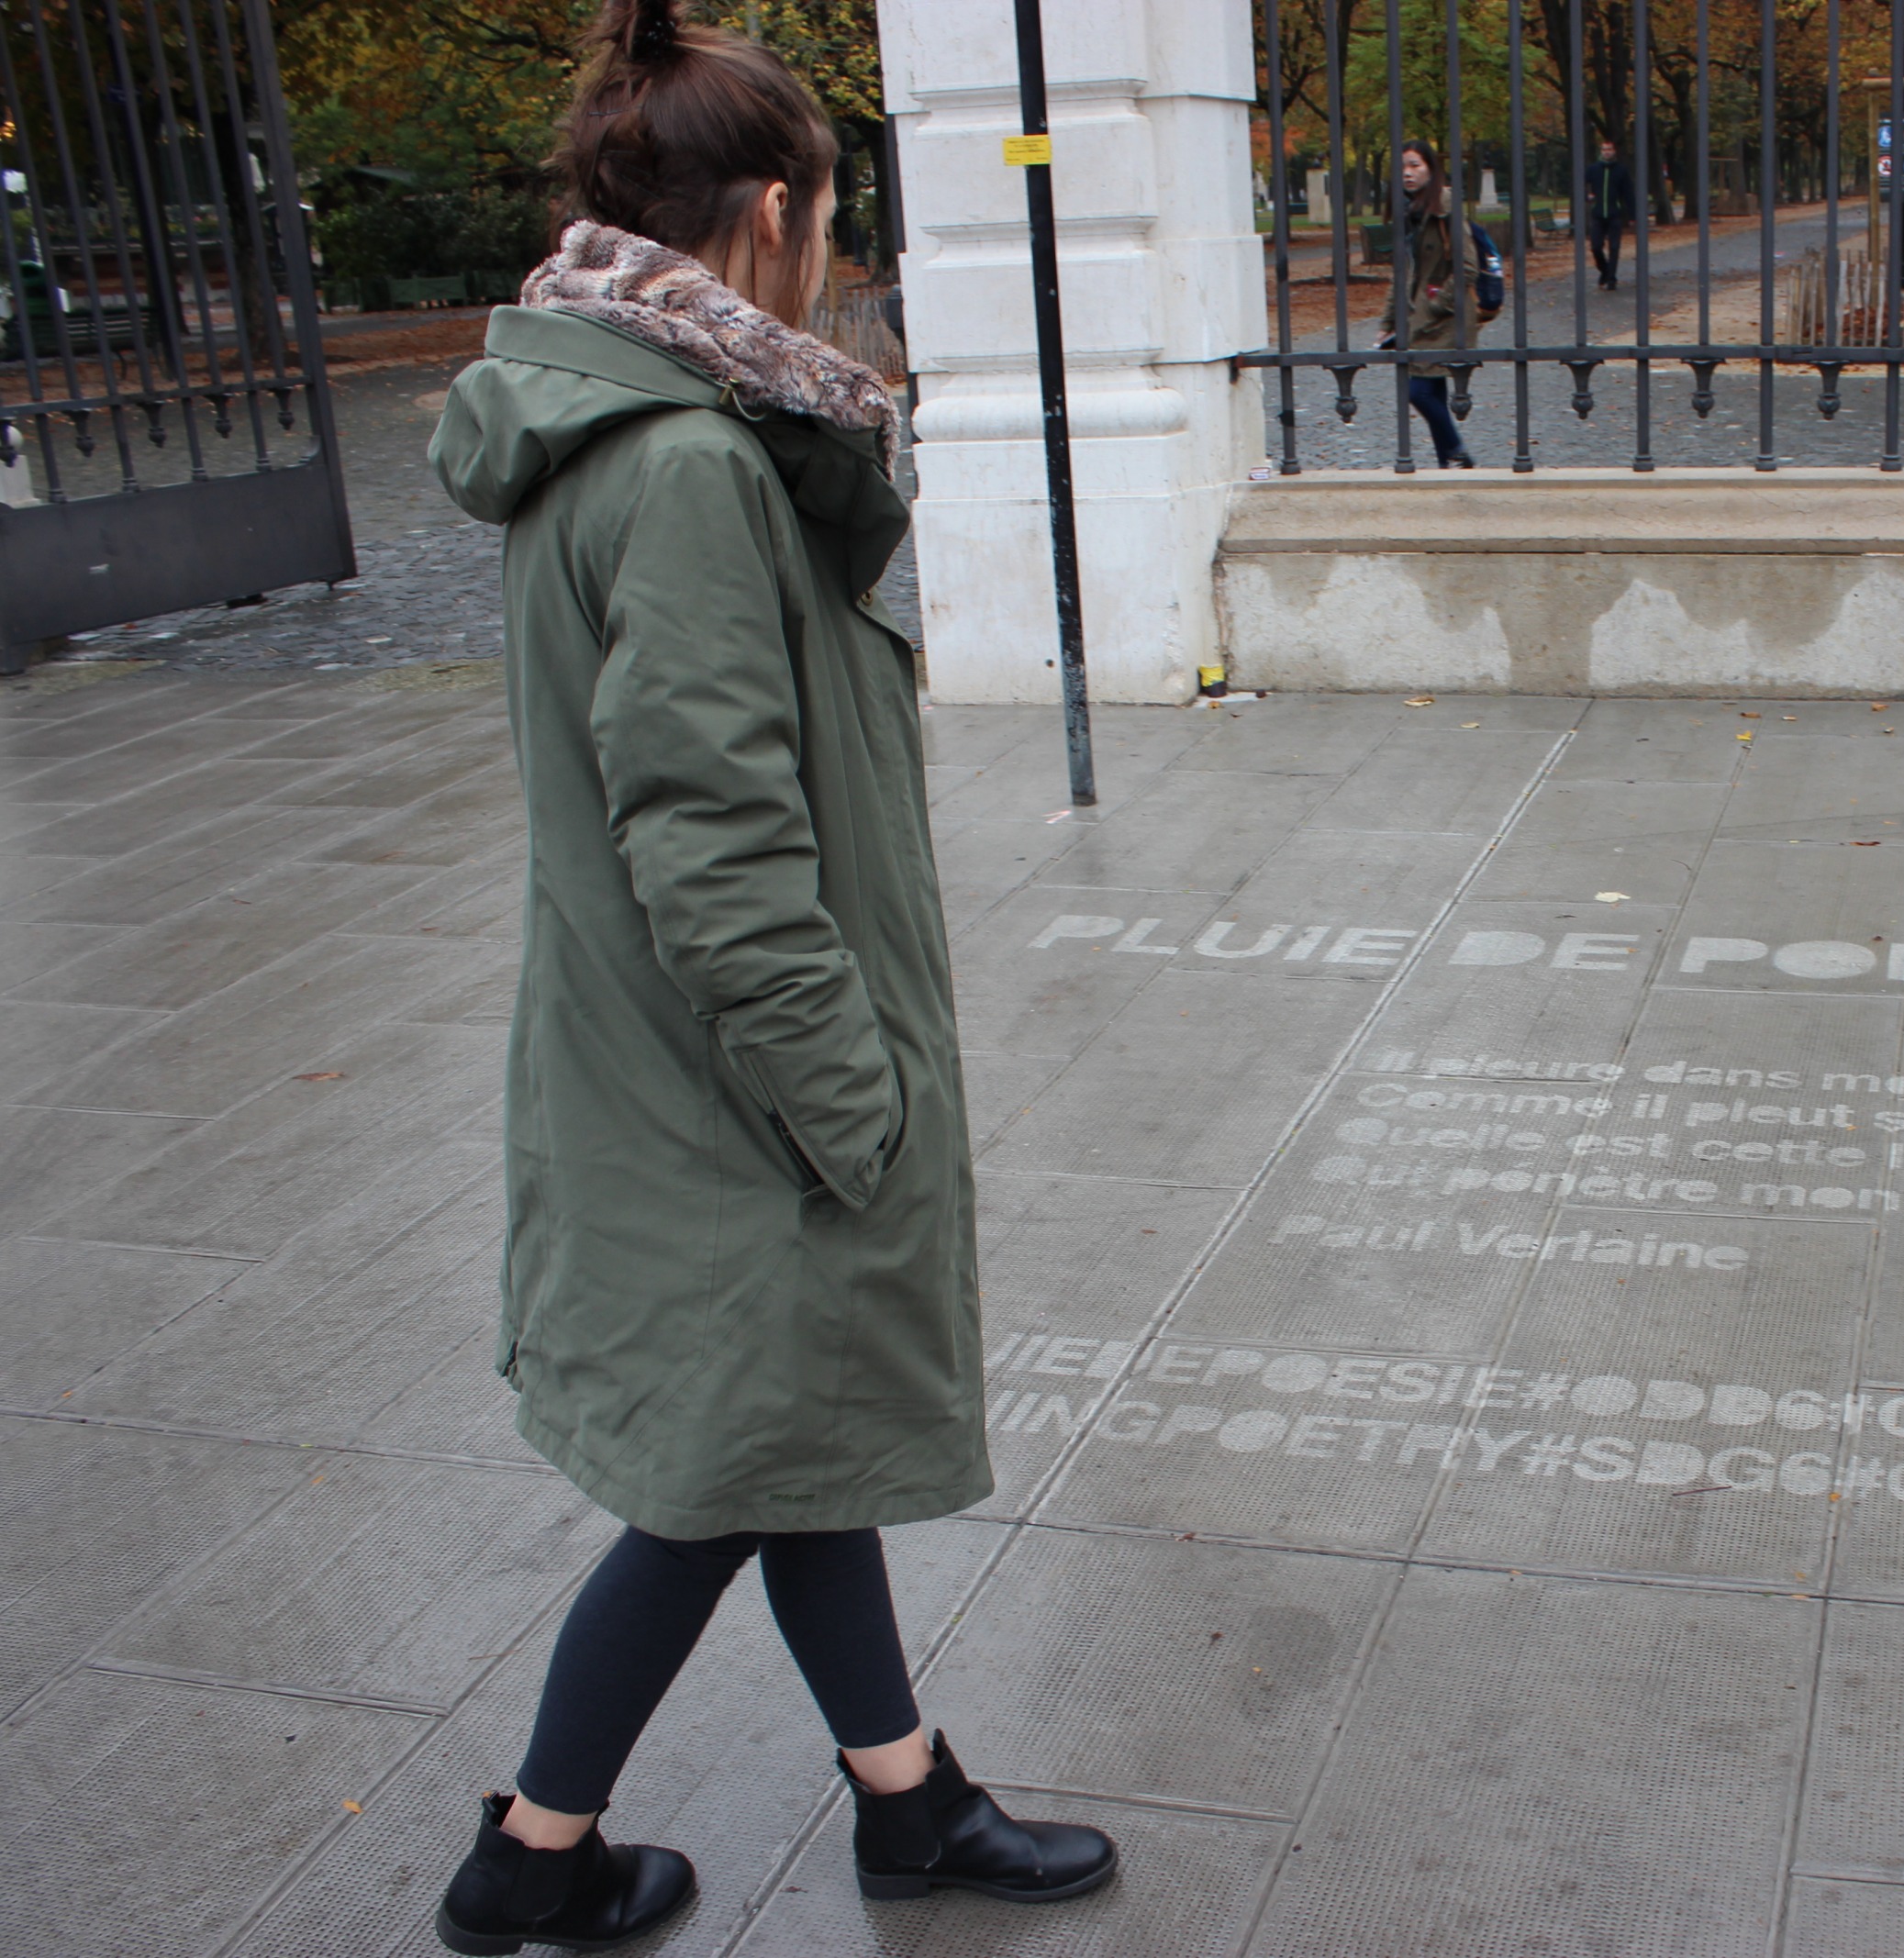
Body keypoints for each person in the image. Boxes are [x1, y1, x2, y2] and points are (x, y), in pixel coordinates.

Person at [423, 2, 1115, 1949]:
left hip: (657, 1061)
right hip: (735, 1085)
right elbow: (715, 842)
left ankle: (908, 1799)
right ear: (778, 209)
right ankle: (533, 1848)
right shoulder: (691, 470)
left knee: (788, 1433)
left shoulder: (601, 405)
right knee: (723, 1469)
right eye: (830, 209)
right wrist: (849, 1098)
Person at [1381, 139, 1479, 469]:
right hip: (1419, 317)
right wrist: (1389, 318)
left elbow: (1468, 265)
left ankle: (1455, 450)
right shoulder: (1410, 210)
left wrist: (1437, 303)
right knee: (1431, 389)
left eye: (1414, 165)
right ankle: (1448, 465)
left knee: (1419, 391)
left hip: (1443, 317)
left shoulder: (1444, 205)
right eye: (1402, 167)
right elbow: (1403, 271)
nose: (1407, 173)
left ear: (1430, 169)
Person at [1585, 136, 1637, 290]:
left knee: (1614, 247)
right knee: (1596, 247)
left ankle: (1611, 279)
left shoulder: (1621, 170)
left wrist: (1633, 215)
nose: (1607, 152)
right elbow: (1579, 184)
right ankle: (1606, 272)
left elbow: (1629, 194)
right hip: (1598, 214)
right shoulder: (1593, 169)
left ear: (1614, 152)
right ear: (1601, 151)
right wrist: (1586, 196)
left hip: (1615, 214)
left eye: (1609, 149)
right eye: (1604, 149)